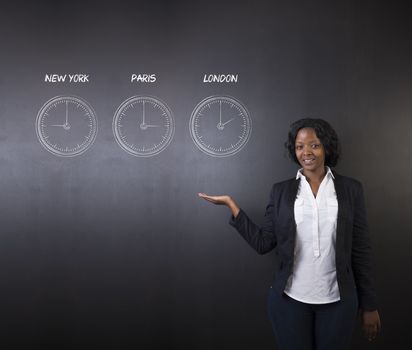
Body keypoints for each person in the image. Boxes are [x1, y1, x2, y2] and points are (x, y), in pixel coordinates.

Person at [198, 118, 381, 350]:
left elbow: (361, 249)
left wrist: (370, 305)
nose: (306, 152)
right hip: (289, 301)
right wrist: (232, 206)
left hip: (339, 301)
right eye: (299, 146)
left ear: (327, 147)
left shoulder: (350, 189)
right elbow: (264, 243)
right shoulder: (281, 192)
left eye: (314, 145)